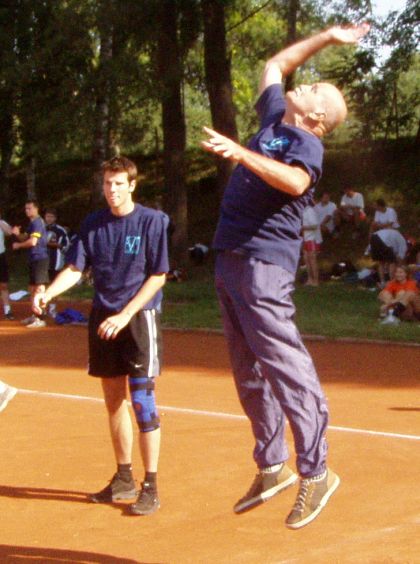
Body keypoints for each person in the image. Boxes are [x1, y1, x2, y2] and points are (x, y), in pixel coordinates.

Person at [201, 22, 370, 529]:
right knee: (247, 368)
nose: (307, 81)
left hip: (264, 265)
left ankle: (316, 471)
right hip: (231, 259)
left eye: (317, 88)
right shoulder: (276, 115)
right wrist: (330, 38)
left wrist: (241, 154)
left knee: (284, 364)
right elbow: (274, 65)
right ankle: (272, 464)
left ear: (318, 116)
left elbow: (296, 183)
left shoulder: (306, 143)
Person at [33, 156, 169, 516]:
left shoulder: (151, 221)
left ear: (132, 185)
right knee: (113, 402)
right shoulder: (93, 224)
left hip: (138, 319)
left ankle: (150, 485)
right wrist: (48, 293)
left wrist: (126, 314)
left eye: (118, 183)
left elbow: (158, 275)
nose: (111, 190)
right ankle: (124, 478)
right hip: (103, 319)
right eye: (107, 184)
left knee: (142, 402)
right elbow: (76, 268)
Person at [12, 200, 49, 328]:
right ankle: (34, 315)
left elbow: (33, 242)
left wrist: (18, 245)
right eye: (26, 209)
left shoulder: (38, 222)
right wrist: (17, 234)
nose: (27, 211)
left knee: (39, 288)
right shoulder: (32, 223)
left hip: (40, 258)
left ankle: (41, 317)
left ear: (36, 209)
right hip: (33, 258)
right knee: (32, 288)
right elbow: (26, 237)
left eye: (29, 208)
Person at [44, 208, 70, 318]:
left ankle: (53, 308)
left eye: (51, 217)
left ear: (55, 218)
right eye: (47, 216)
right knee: (43, 285)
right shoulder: (41, 228)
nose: (49, 219)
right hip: (43, 261)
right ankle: (42, 308)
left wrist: (52, 244)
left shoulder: (60, 230)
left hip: (56, 262)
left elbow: (66, 245)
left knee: (53, 285)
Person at [302, 205, 322, 286]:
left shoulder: (310, 210)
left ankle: (316, 281)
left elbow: (314, 226)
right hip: (305, 238)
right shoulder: (302, 211)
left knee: (312, 260)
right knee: (306, 259)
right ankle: (310, 279)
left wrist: (302, 228)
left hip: (312, 238)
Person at [0, 211, 15, 320]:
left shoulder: (1, 223)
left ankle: (7, 309)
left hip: (1, 256)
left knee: (3, 285)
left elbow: (10, 232)